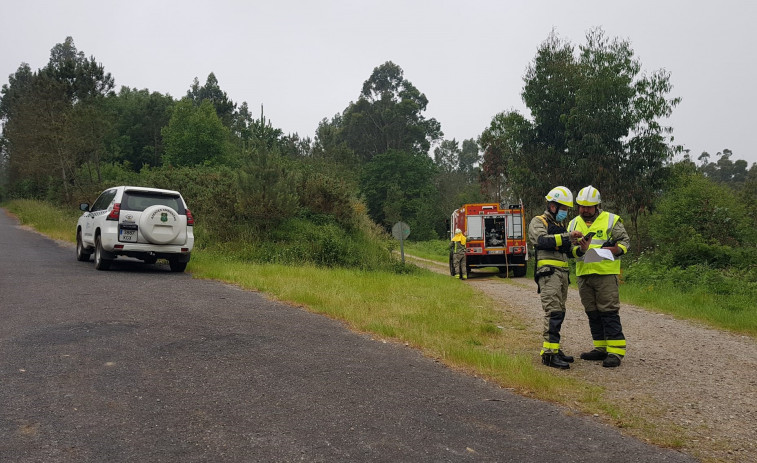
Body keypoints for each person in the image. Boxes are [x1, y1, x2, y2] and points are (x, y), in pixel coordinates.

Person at [569, 186, 630, 368]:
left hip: (605, 273)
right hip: (584, 274)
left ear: (598, 206)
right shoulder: (572, 224)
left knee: (608, 311)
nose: (585, 210)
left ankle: (616, 352)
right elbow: (569, 250)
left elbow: (625, 241)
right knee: (592, 312)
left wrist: (616, 249)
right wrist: (580, 249)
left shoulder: (611, 220)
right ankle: (600, 348)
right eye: (582, 206)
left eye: (589, 207)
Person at [528, 186, 583, 369]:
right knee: (553, 313)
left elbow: (570, 252)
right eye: (563, 208)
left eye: (567, 209)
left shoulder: (560, 227)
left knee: (560, 312)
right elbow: (542, 241)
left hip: (562, 276)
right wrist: (567, 236)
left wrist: (582, 247)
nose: (565, 213)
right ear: (552, 206)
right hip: (548, 274)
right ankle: (549, 355)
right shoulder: (538, 222)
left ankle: (555, 348)